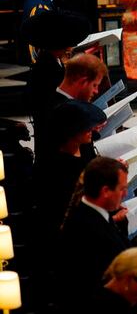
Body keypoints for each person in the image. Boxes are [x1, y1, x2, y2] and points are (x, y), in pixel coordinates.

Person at [59, 156, 130, 308]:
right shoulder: (90, 230)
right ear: (105, 191)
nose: (125, 194)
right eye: (122, 189)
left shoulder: (91, 212)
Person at [32, 100, 106, 238]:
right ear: (72, 129)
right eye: (88, 127)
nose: (92, 130)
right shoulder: (56, 167)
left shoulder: (83, 146)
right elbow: (69, 213)